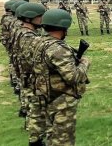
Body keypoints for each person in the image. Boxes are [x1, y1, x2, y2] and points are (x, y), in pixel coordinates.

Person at [31, 9, 90, 146]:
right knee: (63, 140)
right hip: (61, 100)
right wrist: (85, 64)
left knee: (52, 135)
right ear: (63, 27)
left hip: (46, 95)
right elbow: (73, 76)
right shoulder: (58, 49)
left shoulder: (39, 42)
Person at [11, 3, 46, 145]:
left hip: (25, 74)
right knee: (36, 110)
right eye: (40, 16)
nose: (42, 19)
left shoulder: (21, 31)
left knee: (32, 107)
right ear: (30, 18)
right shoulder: (28, 36)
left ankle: (33, 134)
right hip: (31, 76)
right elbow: (33, 59)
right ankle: (36, 140)